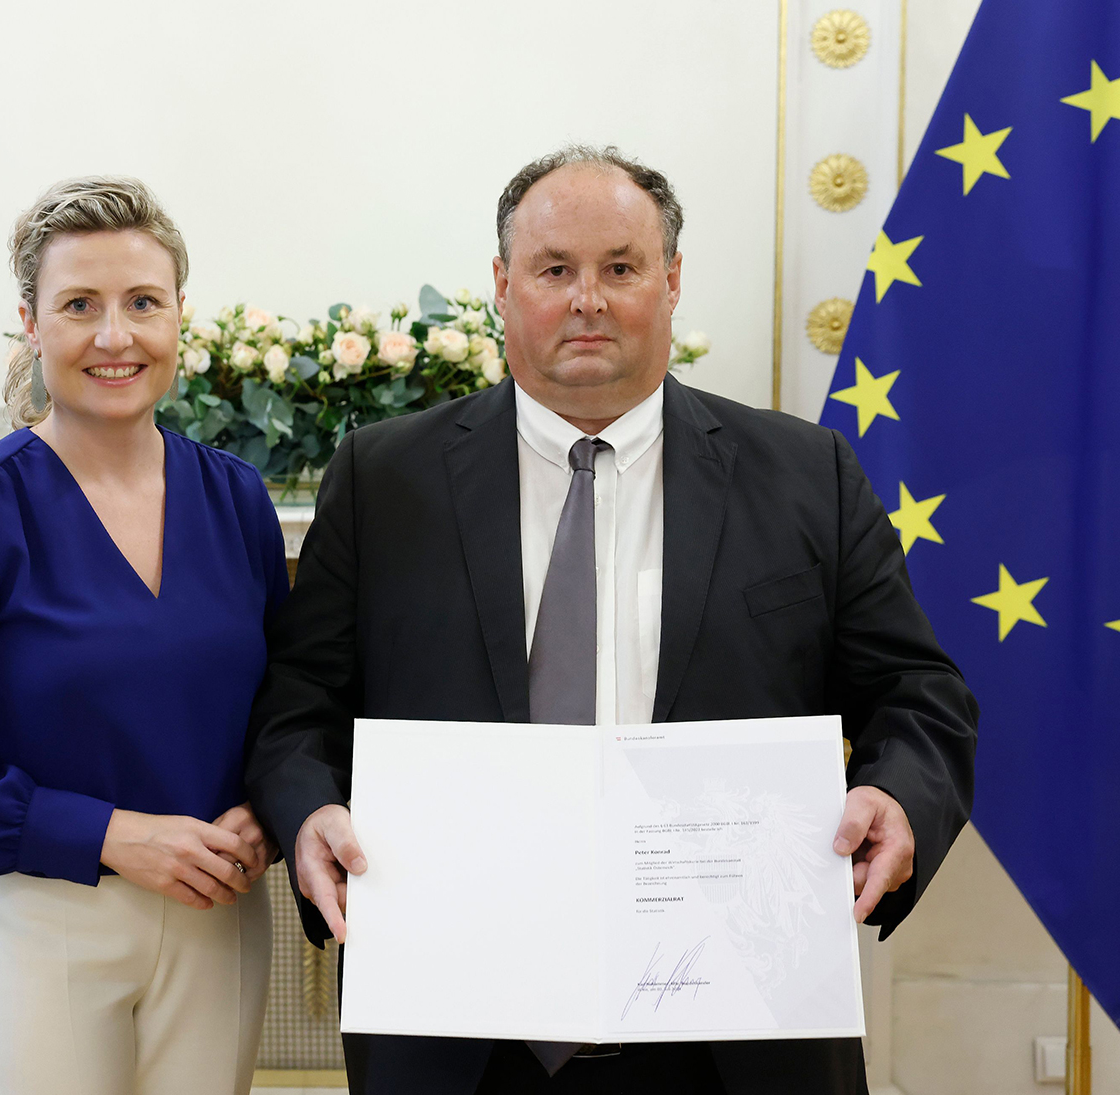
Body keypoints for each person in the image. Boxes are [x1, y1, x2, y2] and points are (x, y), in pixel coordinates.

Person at [245, 146, 978, 1095]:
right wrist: (308, 813)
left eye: (621, 268)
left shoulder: (809, 477)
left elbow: (921, 697)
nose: (588, 299)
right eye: (555, 270)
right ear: (503, 288)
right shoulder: (383, 481)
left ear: (671, 284)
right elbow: (296, 709)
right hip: (457, 1035)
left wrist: (901, 799)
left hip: (737, 1036)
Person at [0, 176, 289, 1095]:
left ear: (181, 316)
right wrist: (109, 834)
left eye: (142, 302)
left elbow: (282, 704)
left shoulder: (236, 499)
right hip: (41, 919)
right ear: (32, 322)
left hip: (220, 916)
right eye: (79, 305)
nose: (114, 335)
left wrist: (271, 808)